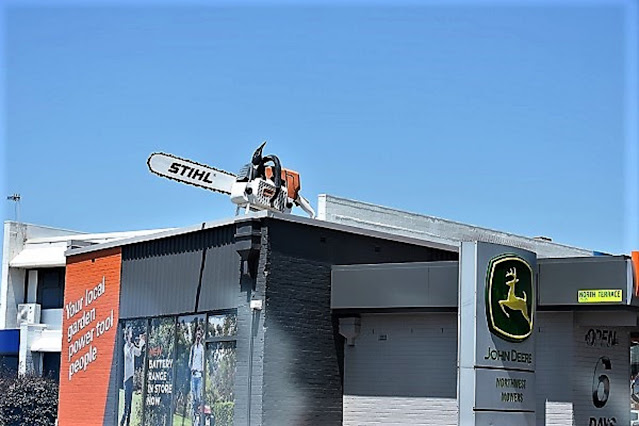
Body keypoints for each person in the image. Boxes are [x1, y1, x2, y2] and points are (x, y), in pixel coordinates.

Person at [120, 327, 145, 426]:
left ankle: (127, 423)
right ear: (127, 336)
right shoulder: (126, 346)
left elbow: (138, 353)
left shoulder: (131, 347)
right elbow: (128, 357)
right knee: (126, 404)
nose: (132, 335)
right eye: (130, 333)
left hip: (131, 377)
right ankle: (122, 422)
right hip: (127, 379)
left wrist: (142, 343)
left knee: (130, 403)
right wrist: (131, 347)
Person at [189, 328, 205, 425]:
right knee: (193, 397)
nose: (198, 336)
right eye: (197, 334)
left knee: (198, 397)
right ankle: (193, 420)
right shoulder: (193, 347)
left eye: (200, 335)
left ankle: (198, 420)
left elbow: (203, 360)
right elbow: (190, 360)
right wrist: (191, 368)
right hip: (193, 375)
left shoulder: (202, 348)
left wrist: (201, 370)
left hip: (199, 376)